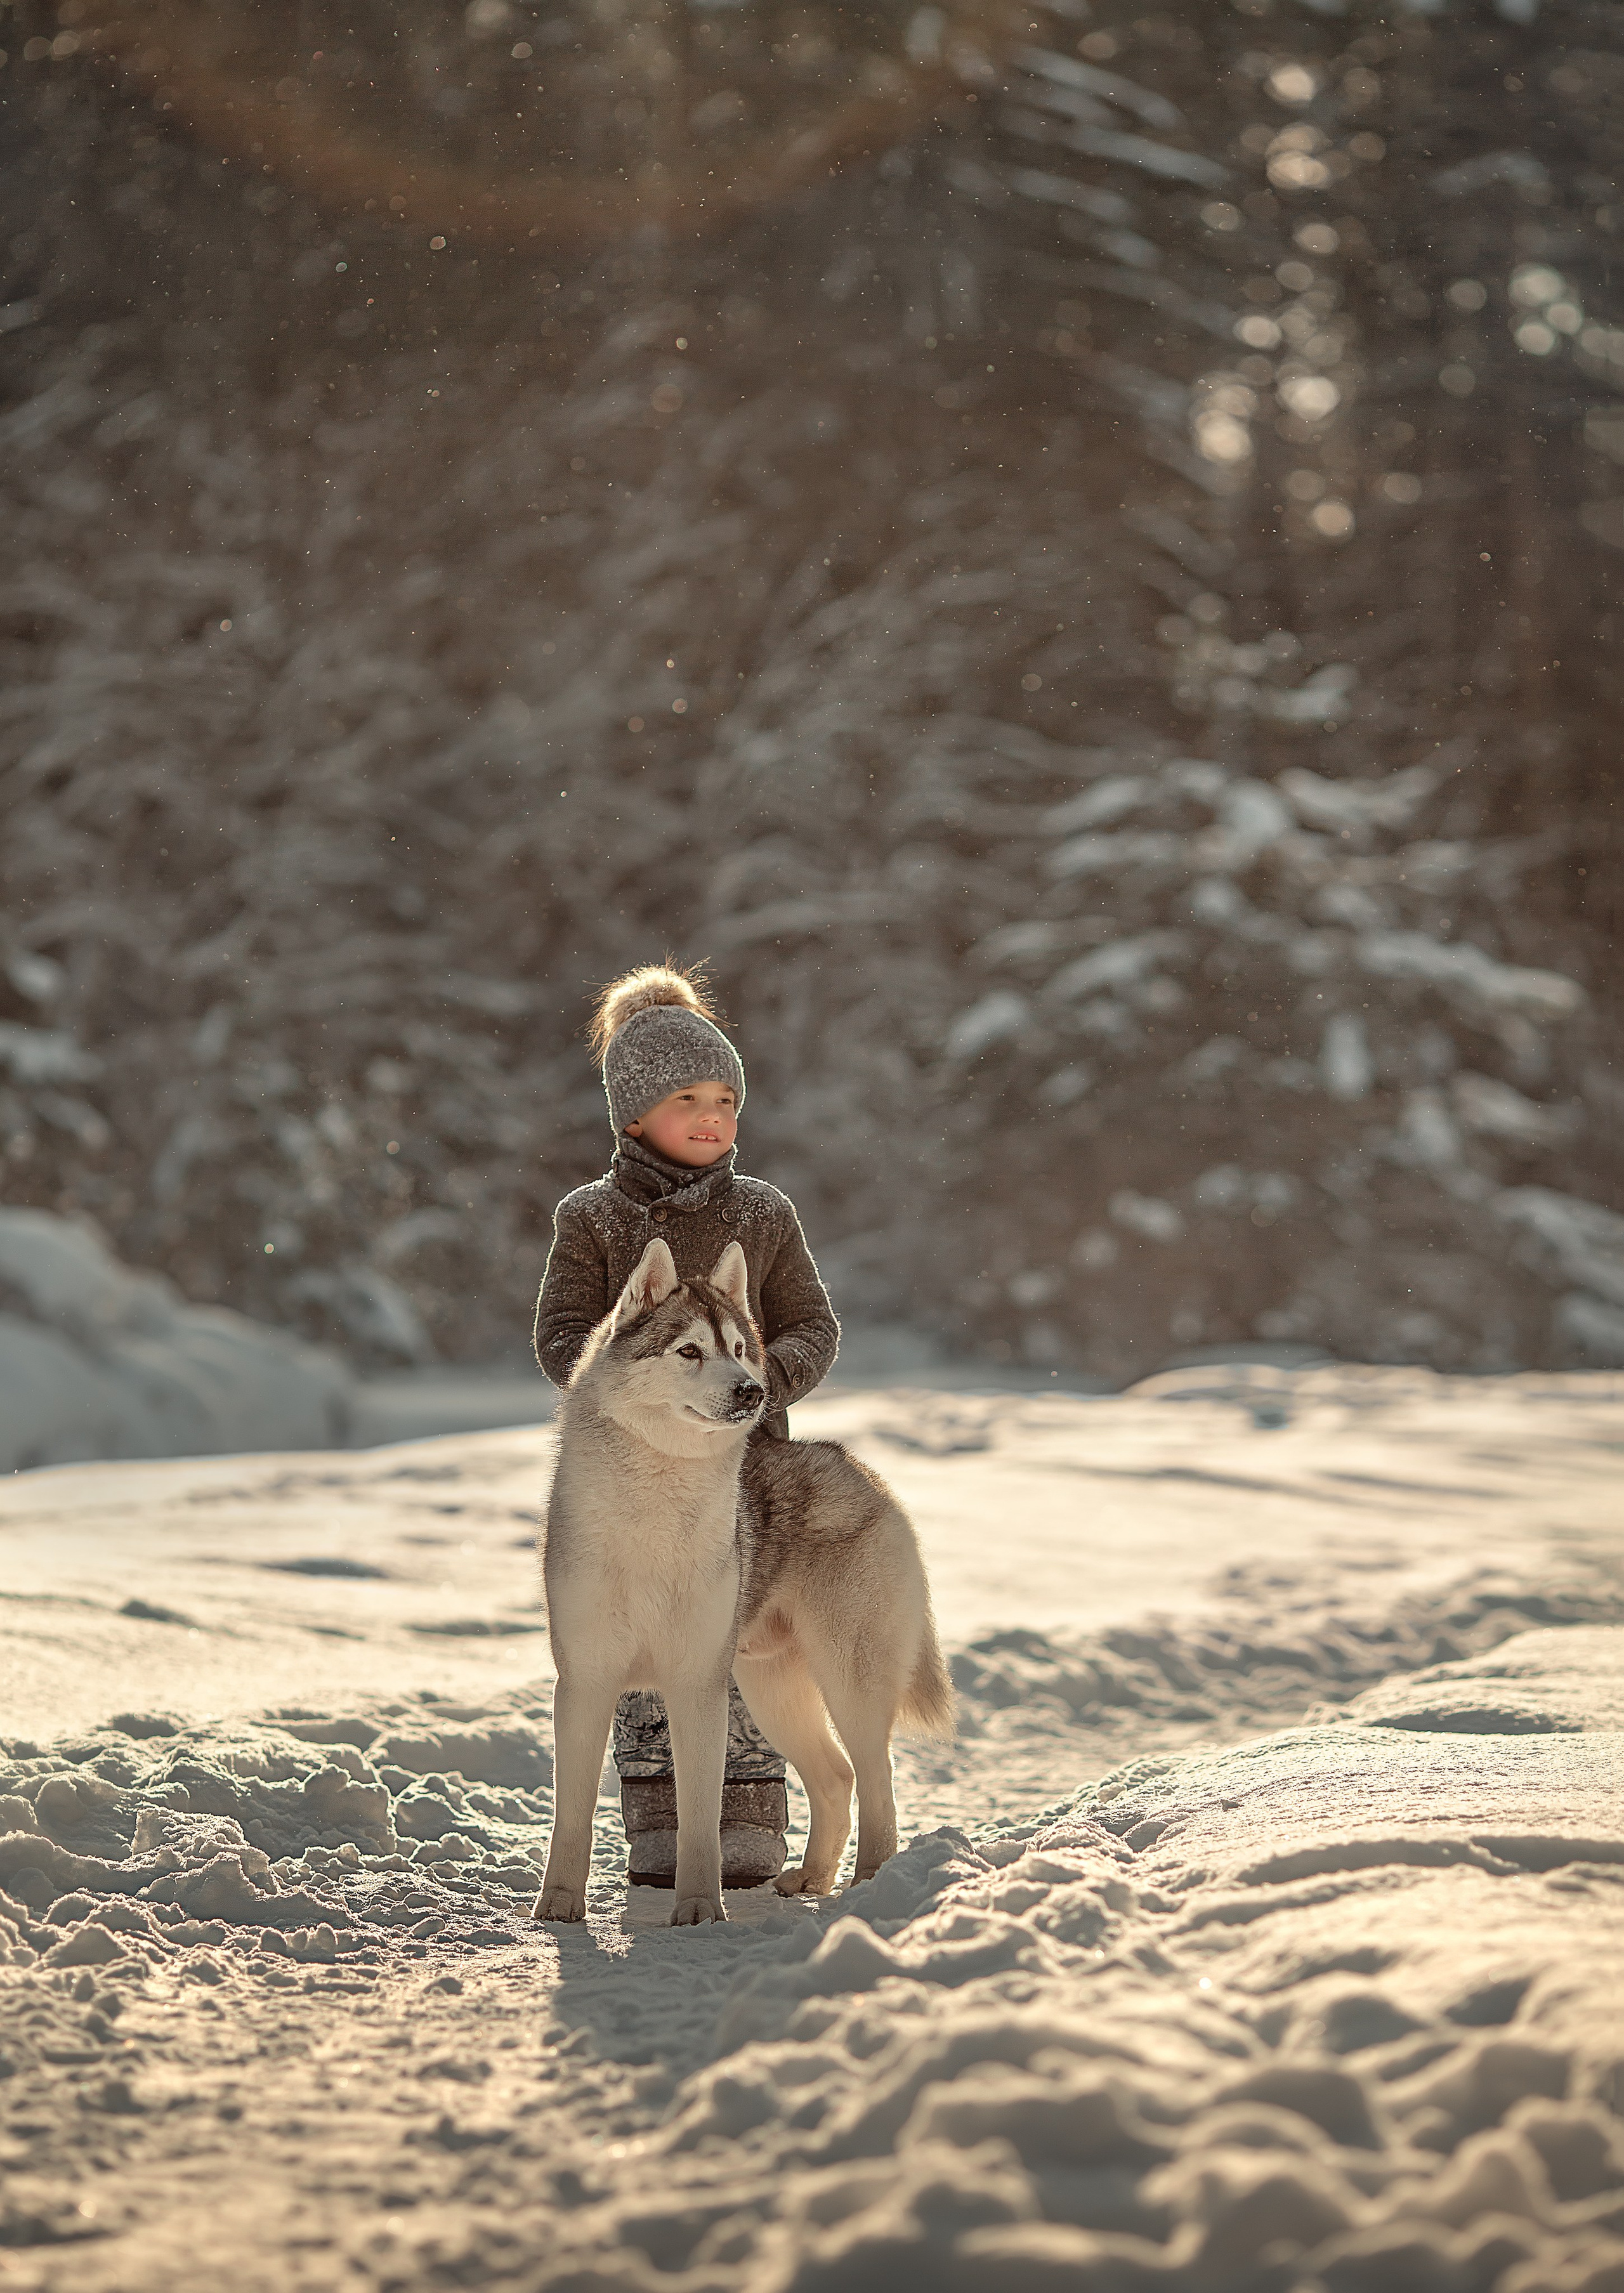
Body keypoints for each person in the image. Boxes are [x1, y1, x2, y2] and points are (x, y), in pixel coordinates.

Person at [533, 962, 840, 1886]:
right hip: (624, 1471)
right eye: (687, 1099)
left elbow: (814, 1326)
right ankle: (655, 1815)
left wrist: (762, 1383)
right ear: (632, 1115)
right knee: (627, 1646)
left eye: (726, 1099)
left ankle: (749, 1809)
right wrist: (626, 1391)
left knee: (732, 1642)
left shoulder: (763, 1211)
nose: (713, 1117)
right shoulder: (592, 1217)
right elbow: (558, 1335)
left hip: (745, 1472)